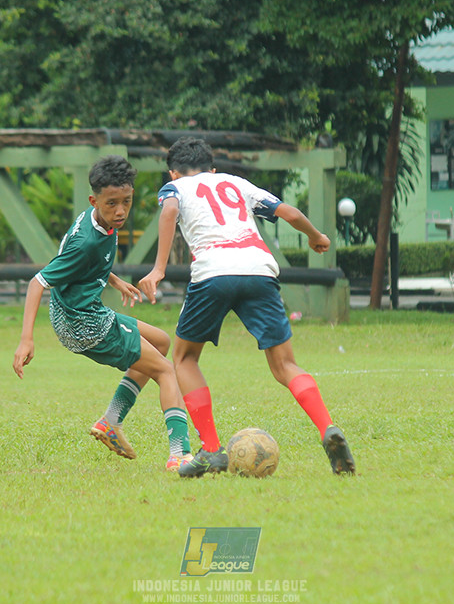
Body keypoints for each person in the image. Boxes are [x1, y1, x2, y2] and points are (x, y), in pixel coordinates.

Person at [138, 137, 356, 477]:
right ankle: (327, 427)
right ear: (212, 169)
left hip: (213, 272)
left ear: (173, 173)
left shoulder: (175, 189)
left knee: (183, 358)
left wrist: (159, 269)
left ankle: (211, 449)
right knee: (285, 365)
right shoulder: (235, 183)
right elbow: (290, 212)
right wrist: (317, 236)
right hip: (259, 269)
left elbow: (169, 211)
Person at [13, 155, 193, 471]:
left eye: (127, 201)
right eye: (112, 204)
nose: (120, 210)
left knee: (161, 341)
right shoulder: (85, 241)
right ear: (94, 200)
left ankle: (111, 422)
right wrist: (26, 339)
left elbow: (85, 265)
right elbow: (37, 283)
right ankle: (180, 454)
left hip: (78, 313)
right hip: (84, 323)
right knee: (166, 370)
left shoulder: (99, 220)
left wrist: (115, 280)